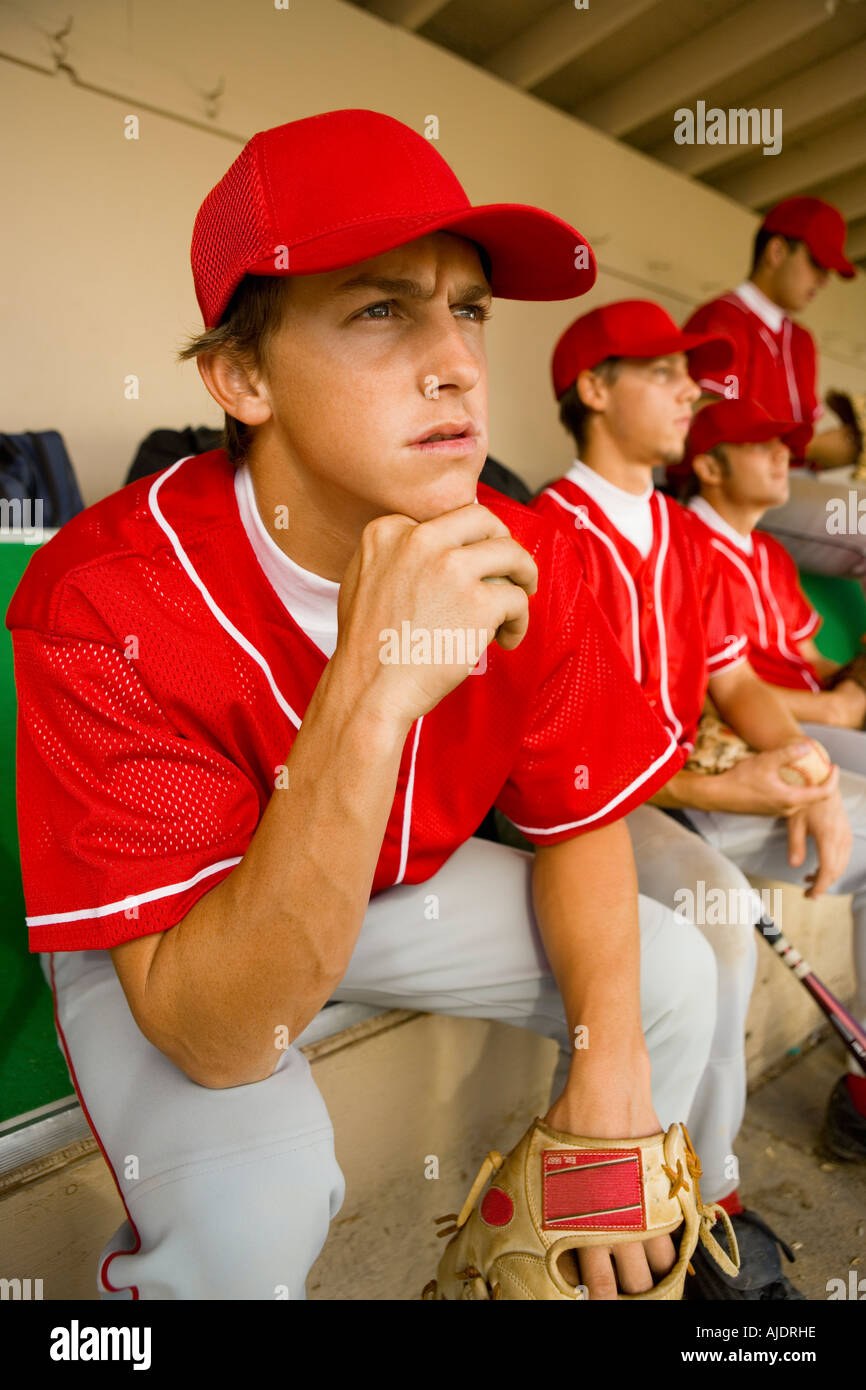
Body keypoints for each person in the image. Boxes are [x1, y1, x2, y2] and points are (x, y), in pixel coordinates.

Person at [5, 111, 715, 1302]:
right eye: (380, 309)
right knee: (252, 1208)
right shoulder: (102, 592)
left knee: (671, 975)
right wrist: (372, 687)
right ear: (241, 377)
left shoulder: (541, 553)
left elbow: (573, 815)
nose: (455, 361)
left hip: (394, 891)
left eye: (469, 308)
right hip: (186, 940)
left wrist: (605, 1073)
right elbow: (215, 1032)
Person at [532, 298, 862, 1300]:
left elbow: (734, 683)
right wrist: (736, 784)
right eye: (663, 371)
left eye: (692, 373)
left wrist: (799, 763)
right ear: (593, 390)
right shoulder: (549, 527)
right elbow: (561, 758)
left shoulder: (678, 532)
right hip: (586, 807)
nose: (689, 389)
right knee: (714, 921)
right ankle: (698, 1203)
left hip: (683, 788)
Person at [681, 397, 866, 1163]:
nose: (784, 459)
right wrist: (833, 707)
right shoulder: (685, 542)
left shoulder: (768, 554)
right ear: (708, 464)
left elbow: (814, 667)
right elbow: (711, 690)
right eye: (761, 447)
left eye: (788, 447)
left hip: (803, 729)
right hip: (715, 763)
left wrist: (849, 683)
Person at [678, 197, 866, 585]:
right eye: (816, 263)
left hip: (789, 488)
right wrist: (812, 448)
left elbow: (805, 449)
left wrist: (851, 446)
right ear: (777, 250)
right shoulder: (721, 318)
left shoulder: (802, 341)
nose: (823, 279)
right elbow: (705, 430)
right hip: (729, 492)